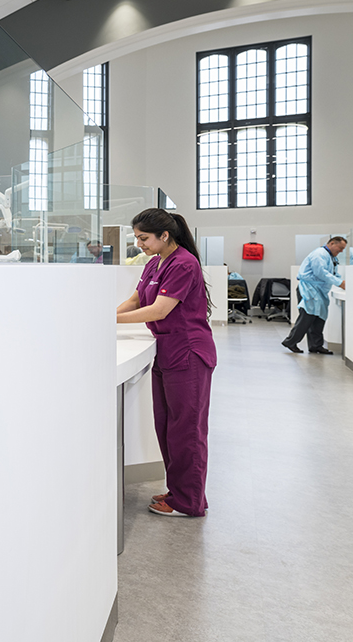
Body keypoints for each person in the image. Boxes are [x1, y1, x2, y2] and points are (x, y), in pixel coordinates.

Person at [116, 208, 216, 518]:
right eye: (137, 238)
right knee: (168, 428)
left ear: (165, 235)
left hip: (188, 354)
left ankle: (189, 502)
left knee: (187, 430)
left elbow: (159, 310)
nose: (139, 244)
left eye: (143, 238)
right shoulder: (154, 263)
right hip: (168, 352)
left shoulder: (184, 263)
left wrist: (109, 322)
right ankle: (182, 491)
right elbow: (135, 300)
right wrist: (106, 314)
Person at [282, 236, 347, 354]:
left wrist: (342, 282)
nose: (341, 251)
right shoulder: (319, 254)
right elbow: (320, 272)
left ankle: (316, 345)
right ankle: (290, 341)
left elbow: (333, 273)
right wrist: (339, 283)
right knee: (307, 317)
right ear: (332, 243)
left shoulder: (331, 257)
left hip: (319, 291)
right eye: (340, 248)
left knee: (319, 318)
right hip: (309, 289)